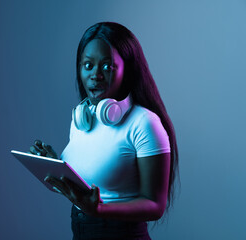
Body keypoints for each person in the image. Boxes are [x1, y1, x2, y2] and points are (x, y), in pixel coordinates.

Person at [29, 22, 179, 240]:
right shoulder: (82, 119)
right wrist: (56, 168)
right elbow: (82, 193)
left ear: (128, 70)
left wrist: (100, 211)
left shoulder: (145, 123)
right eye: (88, 65)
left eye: (107, 67)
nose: (95, 75)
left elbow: (155, 205)